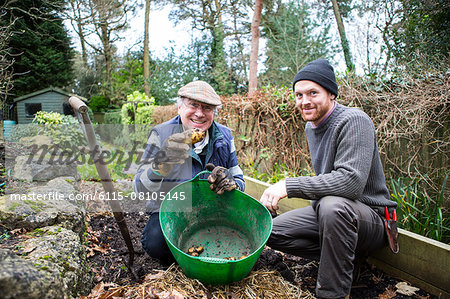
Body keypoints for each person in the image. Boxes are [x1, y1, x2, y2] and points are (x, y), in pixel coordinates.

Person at [259, 59, 397, 299]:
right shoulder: (311, 127)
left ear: (331, 93)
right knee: (266, 230)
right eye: (299, 95)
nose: (305, 101)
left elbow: (350, 183)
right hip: (332, 212)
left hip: (372, 218)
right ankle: (345, 257)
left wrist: (288, 185)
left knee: (332, 205)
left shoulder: (354, 120)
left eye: (313, 92)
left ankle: (331, 293)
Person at [133, 80, 245, 265]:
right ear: (179, 107)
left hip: (213, 208)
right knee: (155, 243)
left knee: (232, 238)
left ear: (213, 113)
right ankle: (180, 259)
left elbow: (239, 179)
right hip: (173, 210)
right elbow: (139, 190)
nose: (199, 113)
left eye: (207, 108)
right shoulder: (160, 134)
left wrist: (231, 182)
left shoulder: (224, 136)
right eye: (193, 105)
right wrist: (158, 168)